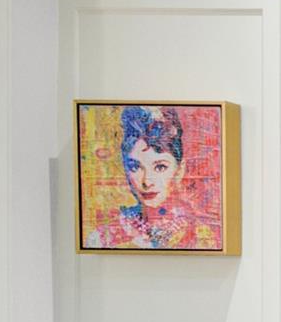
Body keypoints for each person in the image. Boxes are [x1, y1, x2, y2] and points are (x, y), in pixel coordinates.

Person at [86, 106, 212, 250]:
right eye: (135, 167)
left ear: (179, 170)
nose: (146, 182)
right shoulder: (103, 238)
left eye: (160, 167)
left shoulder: (202, 236)